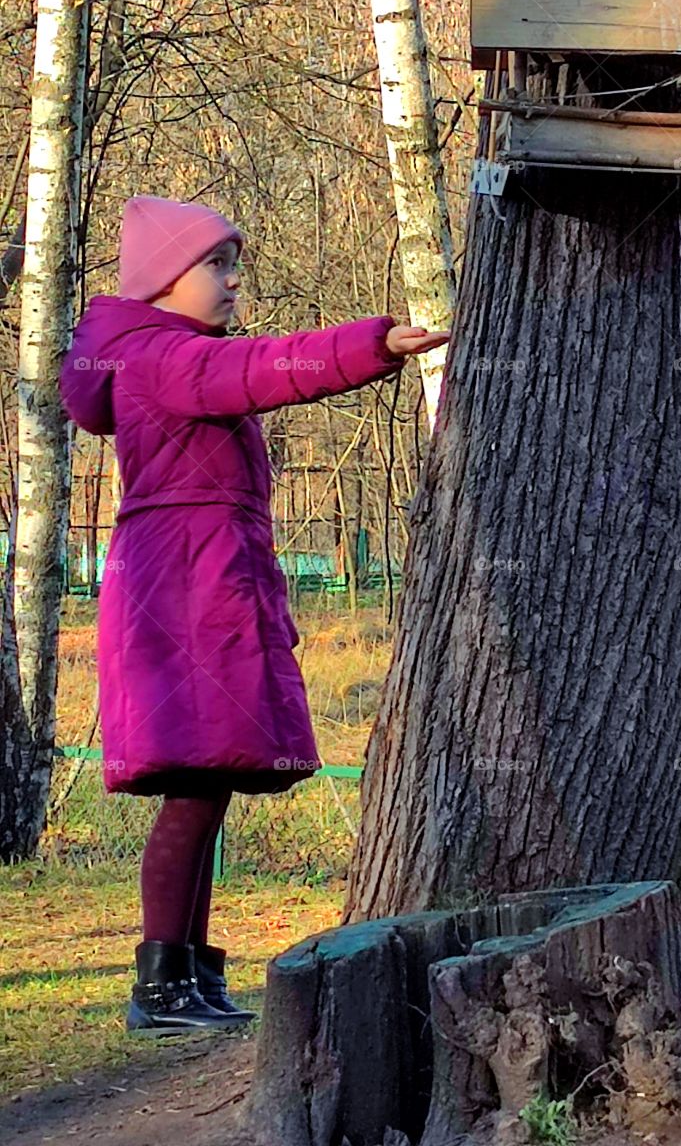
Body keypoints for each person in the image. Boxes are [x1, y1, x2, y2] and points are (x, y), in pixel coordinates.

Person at [59, 195, 449, 1035]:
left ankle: (188, 973)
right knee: (193, 788)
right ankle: (159, 984)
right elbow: (264, 368)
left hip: (199, 578)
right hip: (184, 589)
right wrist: (371, 343)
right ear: (165, 280)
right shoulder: (167, 359)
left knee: (207, 786)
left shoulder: (157, 354)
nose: (233, 281)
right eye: (217, 266)